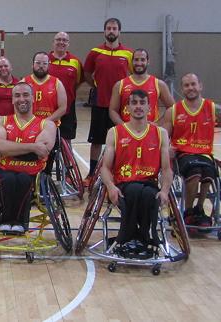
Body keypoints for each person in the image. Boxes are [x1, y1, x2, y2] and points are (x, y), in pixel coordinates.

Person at [101, 89, 172, 257]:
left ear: (150, 108)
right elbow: (105, 168)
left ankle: (137, 237)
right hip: (124, 184)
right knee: (134, 191)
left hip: (149, 183)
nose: (138, 106)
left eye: (142, 103)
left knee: (149, 195)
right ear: (128, 108)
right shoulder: (115, 132)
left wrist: (165, 190)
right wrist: (110, 187)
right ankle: (136, 237)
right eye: (134, 103)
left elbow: (167, 169)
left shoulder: (161, 133)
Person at [0, 82, 56, 233]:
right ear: (12, 100)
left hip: (33, 174)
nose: (22, 99)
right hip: (5, 171)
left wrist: (7, 149)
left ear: (33, 98)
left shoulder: (47, 124)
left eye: (26, 95)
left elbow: (42, 151)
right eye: (17, 95)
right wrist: (32, 147)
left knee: (23, 179)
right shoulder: (0, 120)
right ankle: (5, 220)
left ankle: (19, 222)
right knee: (9, 179)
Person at [161, 73, 219, 227]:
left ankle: (199, 209)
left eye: (193, 84)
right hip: (183, 154)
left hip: (205, 153)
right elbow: (163, 135)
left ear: (200, 86)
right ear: (182, 89)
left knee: (209, 172)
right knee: (195, 172)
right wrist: (167, 148)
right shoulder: (173, 110)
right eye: (187, 85)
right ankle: (187, 212)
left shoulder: (212, 108)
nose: (190, 88)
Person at [83, 18, 134, 187]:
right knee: (96, 141)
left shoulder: (128, 53)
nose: (111, 31)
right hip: (100, 103)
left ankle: (119, 172)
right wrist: (97, 85)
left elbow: (134, 77)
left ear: (119, 31)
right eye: (108, 28)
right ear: (104, 31)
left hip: (120, 107)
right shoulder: (95, 52)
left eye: (114, 28)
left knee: (121, 141)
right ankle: (91, 174)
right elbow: (87, 73)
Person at [109, 48, 175, 125]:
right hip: (127, 132)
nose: (139, 63)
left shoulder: (159, 84)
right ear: (132, 61)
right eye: (136, 60)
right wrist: (123, 126)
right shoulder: (120, 85)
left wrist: (158, 123)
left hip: (150, 132)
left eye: (142, 60)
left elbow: (172, 108)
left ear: (148, 62)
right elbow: (113, 110)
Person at [48, 32, 84, 142]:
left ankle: (66, 159)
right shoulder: (45, 60)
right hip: (48, 108)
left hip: (68, 109)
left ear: (68, 43)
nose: (61, 42)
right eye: (58, 39)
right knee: (47, 138)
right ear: (53, 42)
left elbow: (78, 81)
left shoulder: (75, 62)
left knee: (66, 140)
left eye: (64, 40)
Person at [23, 52, 68, 123]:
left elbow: (63, 108)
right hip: (28, 125)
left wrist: (45, 122)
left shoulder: (57, 83)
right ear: (32, 65)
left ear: (48, 66)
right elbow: (17, 106)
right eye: (38, 63)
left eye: (44, 63)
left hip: (50, 126)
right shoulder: (24, 83)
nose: (41, 66)